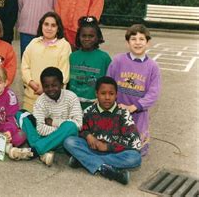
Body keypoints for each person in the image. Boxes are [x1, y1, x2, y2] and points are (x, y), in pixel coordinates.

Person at [63, 76, 142, 185]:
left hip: (114, 153)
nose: (107, 97)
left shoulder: (123, 114)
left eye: (111, 94)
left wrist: (107, 147)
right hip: (93, 148)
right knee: (69, 141)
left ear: (116, 95)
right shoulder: (89, 111)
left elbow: (135, 143)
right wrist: (88, 136)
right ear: (96, 94)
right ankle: (105, 168)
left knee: (135, 158)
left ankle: (83, 161)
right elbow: (81, 129)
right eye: (103, 93)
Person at [107, 24, 161, 156]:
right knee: (112, 145)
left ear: (148, 43)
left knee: (136, 151)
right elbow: (108, 83)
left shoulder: (153, 67)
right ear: (127, 43)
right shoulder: (118, 60)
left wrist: (134, 107)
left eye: (141, 39)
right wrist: (113, 104)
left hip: (138, 114)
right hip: (117, 111)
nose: (137, 42)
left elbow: (153, 93)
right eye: (133, 39)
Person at [16, 67, 82, 166]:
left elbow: (78, 124)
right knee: (21, 114)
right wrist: (60, 133)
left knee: (70, 126)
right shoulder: (41, 101)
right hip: (53, 138)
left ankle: (36, 150)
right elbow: (40, 129)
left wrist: (53, 122)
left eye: (54, 85)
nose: (50, 89)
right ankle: (44, 151)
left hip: (65, 142)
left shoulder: (71, 97)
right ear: (42, 86)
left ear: (62, 85)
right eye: (46, 86)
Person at [21, 11, 71, 112]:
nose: (49, 28)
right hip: (31, 99)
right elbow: (24, 67)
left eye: (53, 25)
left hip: (53, 100)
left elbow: (64, 74)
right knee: (28, 126)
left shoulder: (64, 45)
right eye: (46, 24)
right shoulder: (33, 43)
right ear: (41, 25)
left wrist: (46, 89)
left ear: (58, 28)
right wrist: (34, 86)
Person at [68, 16, 111, 109]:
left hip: (95, 105)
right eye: (84, 36)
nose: (87, 39)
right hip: (73, 105)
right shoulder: (72, 56)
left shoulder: (104, 58)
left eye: (91, 36)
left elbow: (110, 82)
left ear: (97, 37)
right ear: (78, 37)